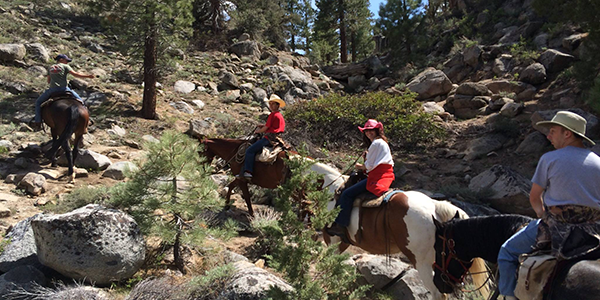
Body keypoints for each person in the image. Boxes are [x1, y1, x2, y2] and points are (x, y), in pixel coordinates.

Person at [497, 111, 600, 300]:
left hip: (559, 229)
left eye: (553, 131)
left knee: (506, 252)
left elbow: (535, 198)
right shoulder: (597, 161)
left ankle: (507, 297)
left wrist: (541, 215)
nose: (548, 136)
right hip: (593, 232)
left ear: (567, 133)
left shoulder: (550, 159)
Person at [327, 119, 395, 237]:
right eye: (366, 131)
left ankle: (340, 225)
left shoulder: (375, 143)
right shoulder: (382, 142)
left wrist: (359, 166)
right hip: (385, 175)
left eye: (371, 130)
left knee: (347, 193)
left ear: (376, 130)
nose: (369, 133)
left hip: (377, 177)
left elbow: (369, 166)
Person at [32, 54, 94, 130]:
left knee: (38, 103)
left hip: (52, 89)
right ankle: (87, 121)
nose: (67, 62)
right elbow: (75, 74)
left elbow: (48, 81)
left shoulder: (50, 67)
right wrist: (88, 76)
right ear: (61, 59)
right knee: (81, 102)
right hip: (64, 89)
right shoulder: (65, 66)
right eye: (66, 60)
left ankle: (38, 122)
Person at [237, 94, 286, 179]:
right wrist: (263, 125)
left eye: (272, 104)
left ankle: (248, 171)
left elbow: (266, 128)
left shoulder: (273, 114)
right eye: (270, 104)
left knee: (250, 150)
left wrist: (258, 131)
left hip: (269, 138)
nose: (270, 105)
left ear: (277, 105)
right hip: (276, 138)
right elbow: (272, 126)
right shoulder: (279, 115)